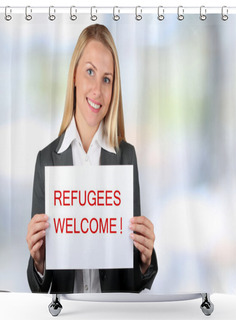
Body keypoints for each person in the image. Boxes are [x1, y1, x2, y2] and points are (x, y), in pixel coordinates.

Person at [26, 24, 158, 294]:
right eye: (90, 72)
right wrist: (39, 262)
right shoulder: (47, 161)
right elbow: (41, 288)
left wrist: (144, 261)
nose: (97, 90)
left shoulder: (126, 158)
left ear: (114, 88)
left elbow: (131, 281)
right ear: (74, 75)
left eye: (107, 79)